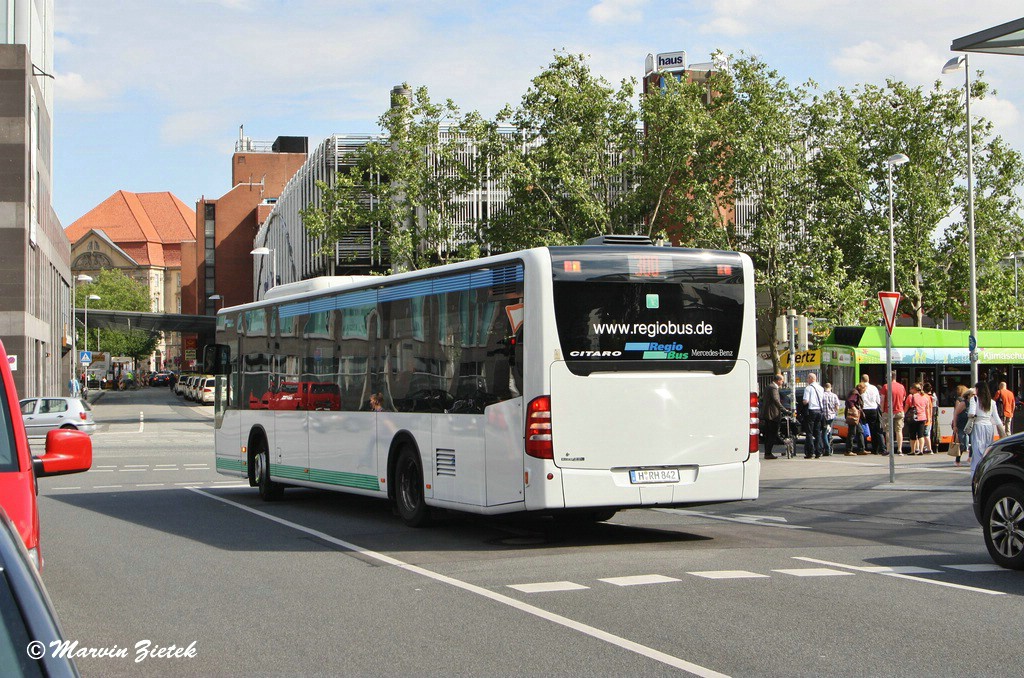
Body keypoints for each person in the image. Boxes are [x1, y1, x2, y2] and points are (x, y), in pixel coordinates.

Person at [969, 381, 1006, 476]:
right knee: (987, 450)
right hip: (989, 427)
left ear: (978, 389)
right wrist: (1002, 432)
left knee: (977, 451)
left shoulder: (974, 399)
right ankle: (986, 471)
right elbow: (997, 419)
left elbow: (971, 413)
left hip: (978, 426)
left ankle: (975, 474)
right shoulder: (992, 402)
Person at [760, 374, 788, 460]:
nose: (782, 382)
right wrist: (784, 410)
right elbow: (776, 400)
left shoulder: (768, 386)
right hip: (772, 415)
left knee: (769, 434)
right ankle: (768, 453)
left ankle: (768, 452)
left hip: (767, 414)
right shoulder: (773, 388)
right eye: (782, 380)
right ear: (778, 380)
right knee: (772, 434)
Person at [879, 372, 906, 455]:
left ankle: (889, 449)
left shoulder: (886, 386)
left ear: (888, 378)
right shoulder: (901, 386)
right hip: (899, 410)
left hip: (888, 411)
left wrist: (882, 410)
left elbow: (882, 400)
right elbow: (904, 398)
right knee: (899, 430)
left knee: (888, 430)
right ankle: (899, 449)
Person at [801, 372, 827, 459]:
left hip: (811, 411)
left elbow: (806, 401)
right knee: (818, 431)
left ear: (811, 378)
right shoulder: (821, 388)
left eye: (808, 378)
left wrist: (802, 402)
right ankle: (818, 451)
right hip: (820, 411)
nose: (807, 380)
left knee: (809, 432)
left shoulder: (808, 388)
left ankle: (810, 452)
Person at [860, 373, 885, 455]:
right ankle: (876, 448)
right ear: (868, 380)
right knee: (874, 429)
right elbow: (878, 400)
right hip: (873, 409)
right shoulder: (874, 388)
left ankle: (864, 447)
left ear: (861, 380)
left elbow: (860, 399)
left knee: (863, 429)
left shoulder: (861, 387)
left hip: (864, 410)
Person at [904, 383, 930, 455]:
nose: (910, 390)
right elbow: (927, 409)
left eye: (911, 389)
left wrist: (904, 414)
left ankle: (913, 450)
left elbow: (906, 407)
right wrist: (928, 418)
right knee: (921, 435)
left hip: (913, 418)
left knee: (912, 435)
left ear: (914, 389)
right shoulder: (925, 397)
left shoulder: (911, 397)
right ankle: (921, 450)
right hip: (922, 418)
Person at [952, 385, 971, 468]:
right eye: (972, 395)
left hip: (969, 425)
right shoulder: (963, 402)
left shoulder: (974, 403)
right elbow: (956, 412)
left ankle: (970, 458)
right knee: (962, 443)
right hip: (961, 425)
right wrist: (955, 425)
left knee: (973, 442)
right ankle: (957, 460)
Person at [844, 386, 866, 456]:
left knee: (860, 431)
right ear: (861, 388)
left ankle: (861, 449)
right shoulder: (855, 393)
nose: (865, 391)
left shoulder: (855, 392)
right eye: (865, 389)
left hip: (857, 416)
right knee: (852, 432)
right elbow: (850, 401)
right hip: (853, 416)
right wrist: (854, 409)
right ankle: (848, 450)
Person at [821, 382, 840, 456]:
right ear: (831, 387)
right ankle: (829, 445)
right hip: (832, 417)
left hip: (824, 417)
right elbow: (837, 407)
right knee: (829, 431)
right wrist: (834, 412)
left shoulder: (822, 395)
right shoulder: (834, 395)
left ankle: (827, 448)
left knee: (824, 433)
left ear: (824, 388)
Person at [922, 382, 937, 454]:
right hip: (931, 416)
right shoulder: (933, 396)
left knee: (925, 433)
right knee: (928, 432)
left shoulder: (925, 397)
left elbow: (927, 408)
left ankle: (927, 448)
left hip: (926, 417)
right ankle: (927, 447)